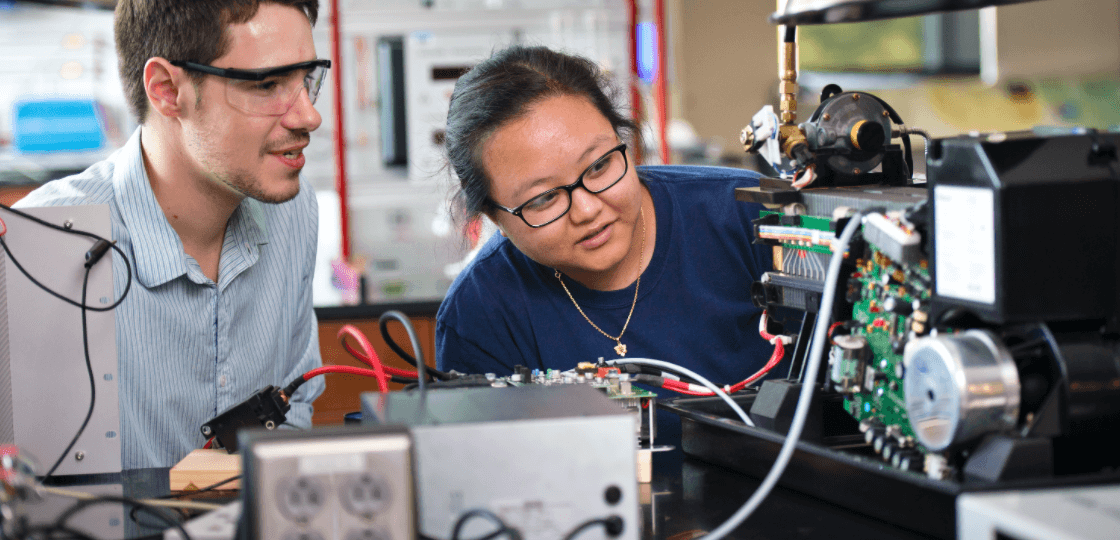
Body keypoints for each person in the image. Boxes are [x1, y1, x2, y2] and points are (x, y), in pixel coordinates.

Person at [15, 0, 327, 469]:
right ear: (166, 90)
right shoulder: (39, 244)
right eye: (267, 85)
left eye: (306, 80)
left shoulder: (293, 212)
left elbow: (294, 404)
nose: (308, 117)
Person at [436, 45, 775, 392]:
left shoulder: (753, 215)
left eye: (599, 166)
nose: (587, 210)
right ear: (495, 218)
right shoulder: (479, 314)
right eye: (544, 198)